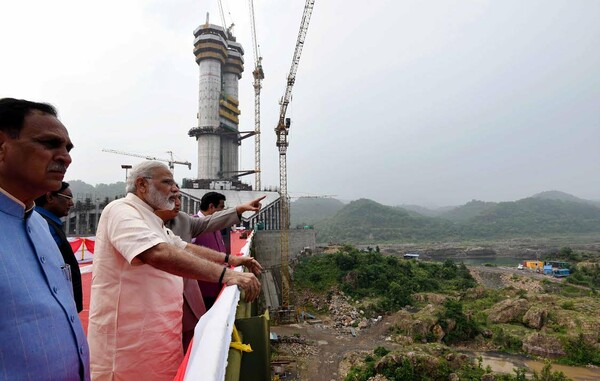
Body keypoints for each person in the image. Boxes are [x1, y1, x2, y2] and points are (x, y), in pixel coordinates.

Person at [88, 161, 262, 381]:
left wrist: (233, 260)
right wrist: (228, 274)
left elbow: (185, 248)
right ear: (142, 185)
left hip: (160, 342)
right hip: (129, 351)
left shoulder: (154, 220)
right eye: (167, 182)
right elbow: (157, 253)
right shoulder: (121, 210)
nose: (174, 189)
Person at [0, 98, 90, 380]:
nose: (66, 157)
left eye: (67, 148)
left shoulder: (40, 226)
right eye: (49, 144)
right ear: (2, 147)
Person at [155, 190, 265, 352]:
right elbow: (184, 253)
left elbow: (205, 227)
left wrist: (240, 210)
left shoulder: (183, 220)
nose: (178, 202)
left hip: (193, 294)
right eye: (172, 198)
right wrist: (228, 272)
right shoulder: (143, 224)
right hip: (165, 299)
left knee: (193, 339)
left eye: (179, 197)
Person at [35, 181, 83, 312]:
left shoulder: (45, 222)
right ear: (50, 197)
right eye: (68, 198)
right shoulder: (42, 225)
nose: (72, 203)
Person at [195, 192, 229, 310]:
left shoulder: (215, 226)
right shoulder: (194, 226)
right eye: (221, 207)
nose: (223, 211)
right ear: (211, 207)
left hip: (217, 284)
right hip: (203, 290)